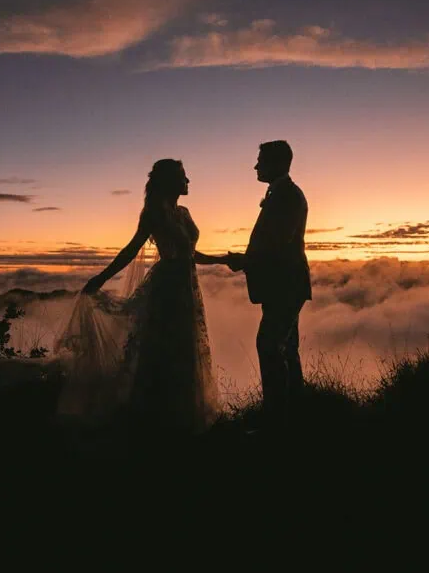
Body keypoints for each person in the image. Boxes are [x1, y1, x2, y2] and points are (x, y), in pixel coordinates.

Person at [56, 159, 225, 434]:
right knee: (161, 349)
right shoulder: (154, 213)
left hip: (187, 288)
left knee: (185, 348)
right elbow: (131, 250)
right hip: (167, 288)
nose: (189, 181)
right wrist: (101, 279)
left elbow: (191, 254)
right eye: (183, 176)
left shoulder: (183, 213)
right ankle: (154, 418)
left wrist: (222, 260)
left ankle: (181, 415)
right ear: (170, 181)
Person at [225, 140, 311, 430]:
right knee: (286, 349)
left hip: (285, 286)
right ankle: (294, 415)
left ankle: (276, 422)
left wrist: (245, 261)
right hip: (285, 285)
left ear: (276, 163)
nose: (256, 166)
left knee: (268, 346)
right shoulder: (282, 193)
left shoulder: (286, 195)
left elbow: (276, 244)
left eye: (260, 160)